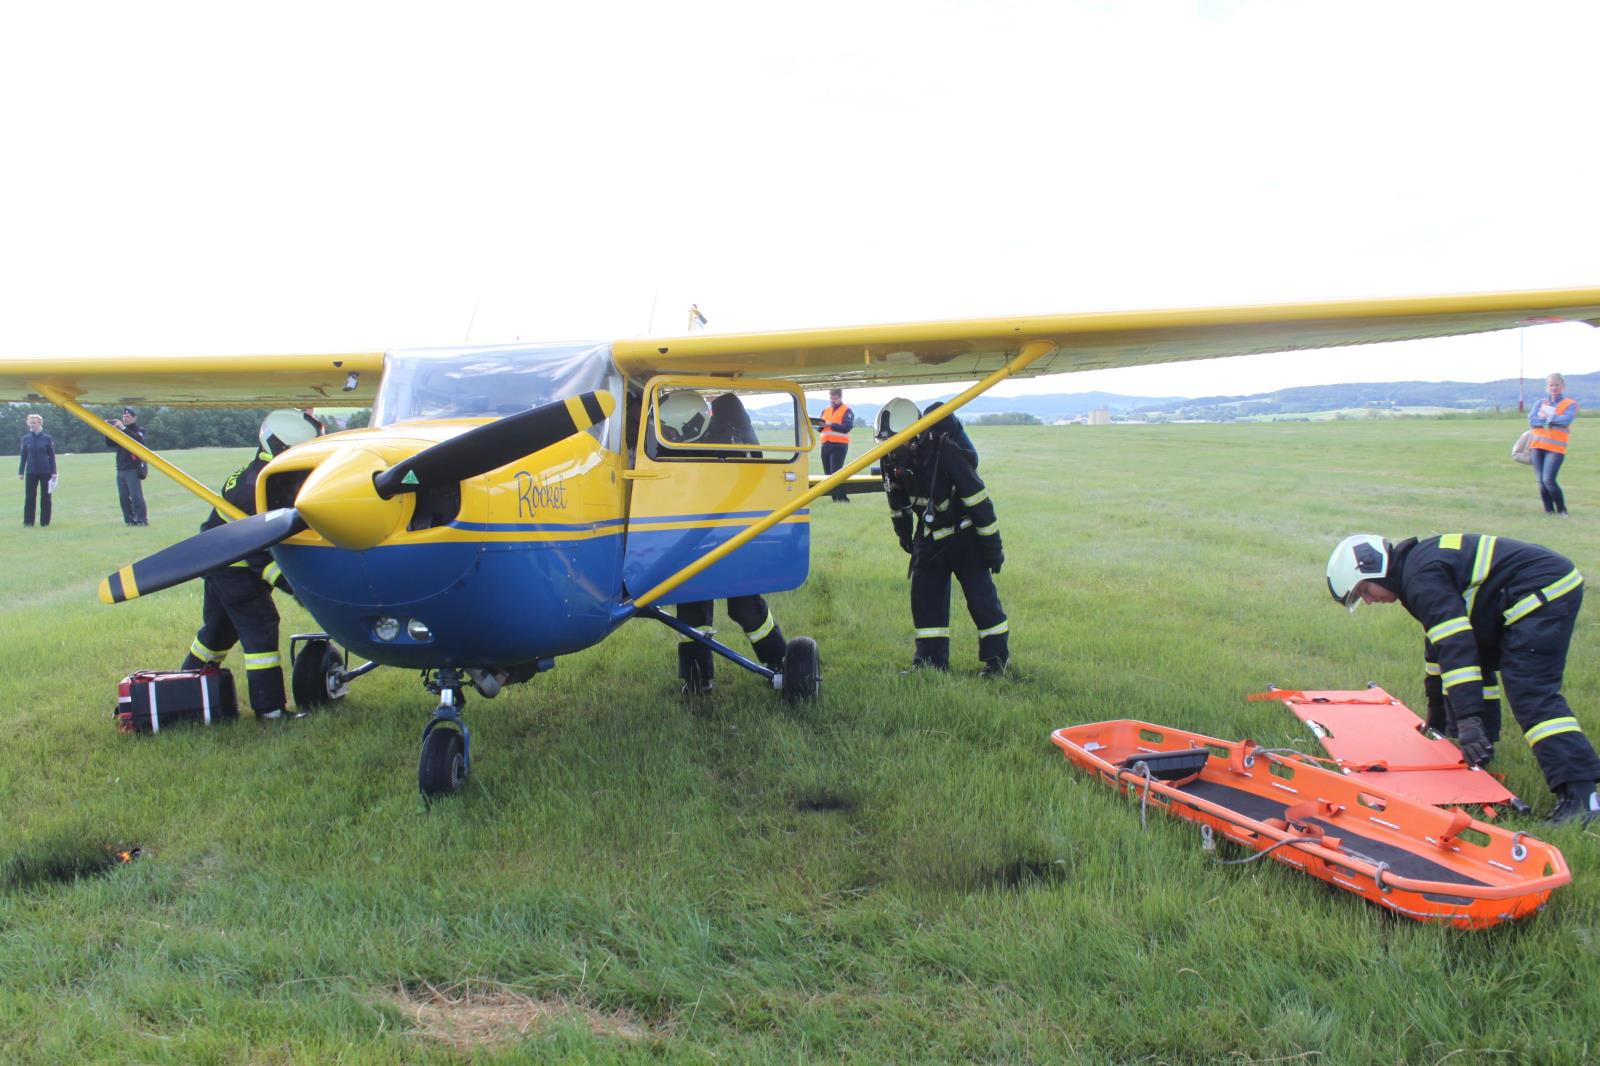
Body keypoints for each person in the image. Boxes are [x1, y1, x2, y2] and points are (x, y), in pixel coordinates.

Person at [1327, 532, 1600, 824]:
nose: (1369, 600)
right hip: (1527, 587)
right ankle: (1484, 749)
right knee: (1481, 660)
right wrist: (1437, 715)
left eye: (1365, 590)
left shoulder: (1419, 579)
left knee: (1529, 690)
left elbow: (1456, 647)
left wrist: (1469, 719)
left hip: (1544, 588)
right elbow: (1438, 646)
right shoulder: (1413, 573)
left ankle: (1581, 798)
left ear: (1376, 568)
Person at [179, 410, 323, 719]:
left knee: (217, 633)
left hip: (219, 561)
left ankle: (183, 690)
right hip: (234, 567)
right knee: (261, 628)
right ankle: (270, 710)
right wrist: (293, 587)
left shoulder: (263, 472)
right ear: (283, 447)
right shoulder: (255, 487)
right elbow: (256, 552)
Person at [656, 391, 787, 694]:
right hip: (693, 536)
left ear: (691, 426)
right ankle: (697, 679)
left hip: (733, 536)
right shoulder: (684, 444)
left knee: (745, 606)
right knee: (691, 609)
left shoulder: (731, 444)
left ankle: (779, 660)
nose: (668, 439)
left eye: (672, 433)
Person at [878, 397, 1009, 677]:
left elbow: (979, 501)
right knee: (925, 600)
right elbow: (897, 505)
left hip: (966, 537)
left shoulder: (945, 451)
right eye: (885, 443)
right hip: (930, 539)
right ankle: (930, 663)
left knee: (982, 600)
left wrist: (992, 549)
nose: (890, 451)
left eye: (895, 443)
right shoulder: (890, 461)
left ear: (914, 436)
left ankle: (997, 662)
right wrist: (905, 537)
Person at [1529, 372, 1578, 516]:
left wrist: (1547, 418)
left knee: (1549, 480)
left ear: (1563, 386)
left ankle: (1562, 510)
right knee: (1541, 481)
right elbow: (1532, 420)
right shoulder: (1540, 403)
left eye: (1557, 385)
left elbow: (1566, 420)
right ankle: (1549, 511)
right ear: (1547, 387)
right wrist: (1552, 419)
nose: (1554, 388)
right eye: (1551, 385)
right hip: (1537, 446)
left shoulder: (1570, 404)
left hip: (1555, 448)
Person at [106, 406, 148, 525]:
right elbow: (110, 444)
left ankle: (141, 519)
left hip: (133, 468)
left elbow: (137, 441)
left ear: (134, 418)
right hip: (121, 467)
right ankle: (129, 520)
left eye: (128, 416)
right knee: (123, 497)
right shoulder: (120, 431)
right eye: (124, 416)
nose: (125, 418)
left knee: (136, 496)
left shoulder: (139, 430)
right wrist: (108, 430)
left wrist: (123, 428)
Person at [18, 413, 56, 527]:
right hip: (31, 472)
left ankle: (45, 523)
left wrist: (54, 472)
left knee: (46, 498)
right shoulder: (26, 438)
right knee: (29, 498)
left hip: (46, 472)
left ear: (39, 423)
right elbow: (23, 456)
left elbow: (52, 456)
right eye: (30, 422)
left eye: (33, 423)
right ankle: (28, 522)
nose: (31, 425)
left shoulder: (47, 438)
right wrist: (21, 472)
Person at [818, 387, 854, 502]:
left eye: (835, 398)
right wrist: (819, 426)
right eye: (831, 398)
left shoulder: (847, 410)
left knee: (836, 472)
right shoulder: (825, 410)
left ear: (840, 397)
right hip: (825, 444)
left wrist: (831, 424)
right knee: (827, 473)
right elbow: (820, 428)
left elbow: (847, 427)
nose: (832, 400)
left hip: (839, 445)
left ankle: (842, 498)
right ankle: (835, 498)